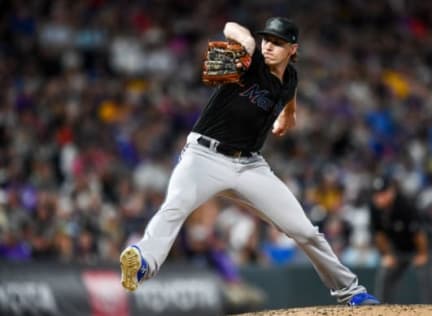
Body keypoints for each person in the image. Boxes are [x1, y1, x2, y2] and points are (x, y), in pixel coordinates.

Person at [119, 17, 379, 306]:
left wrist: (289, 115)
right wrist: (246, 41)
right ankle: (143, 261)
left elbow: (288, 94)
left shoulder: (290, 77)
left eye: (277, 42)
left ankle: (351, 292)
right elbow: (231, 26)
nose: (269, 46)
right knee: (175, 207)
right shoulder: (250, 60)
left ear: (293, 49)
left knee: (305, 231)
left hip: (250, 166)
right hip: (204, 156)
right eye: (267, 39)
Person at [368, 176, 432, 303]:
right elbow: (379, 235)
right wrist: (387, 254)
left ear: (391, 191)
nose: (379, 197)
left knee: (425, 274)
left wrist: (422, 254)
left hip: (421, 244)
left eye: (383, 193)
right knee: (386, 272)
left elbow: (419, 232)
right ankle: (383, 309)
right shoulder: (374, 208)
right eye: (377, 194)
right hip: (398, 246)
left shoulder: (404, 204)